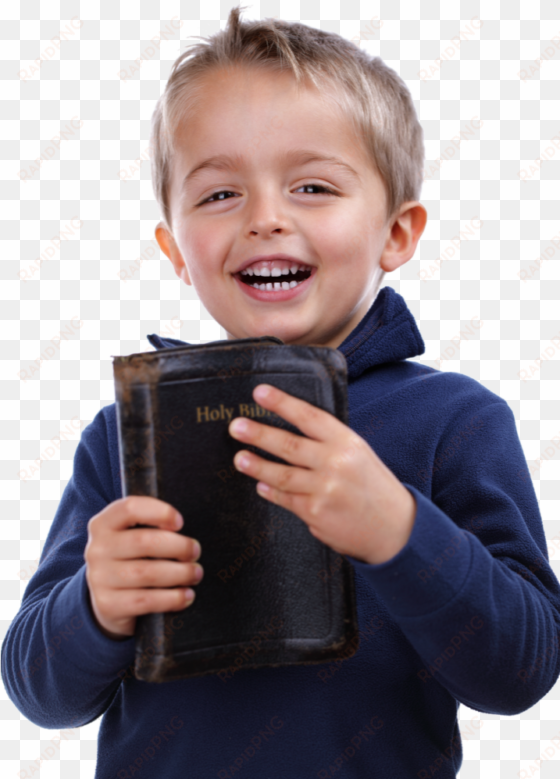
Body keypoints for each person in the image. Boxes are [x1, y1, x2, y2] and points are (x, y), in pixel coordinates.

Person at [3, 6, 560, 778]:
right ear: (174, 248)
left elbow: (522, 671)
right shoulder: (126, 435)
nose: (265, 218)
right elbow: (38, 694)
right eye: (219, 195)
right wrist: (93, 605)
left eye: (312, 186)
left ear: (396, 234)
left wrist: (401, 531)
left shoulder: (457, 422)